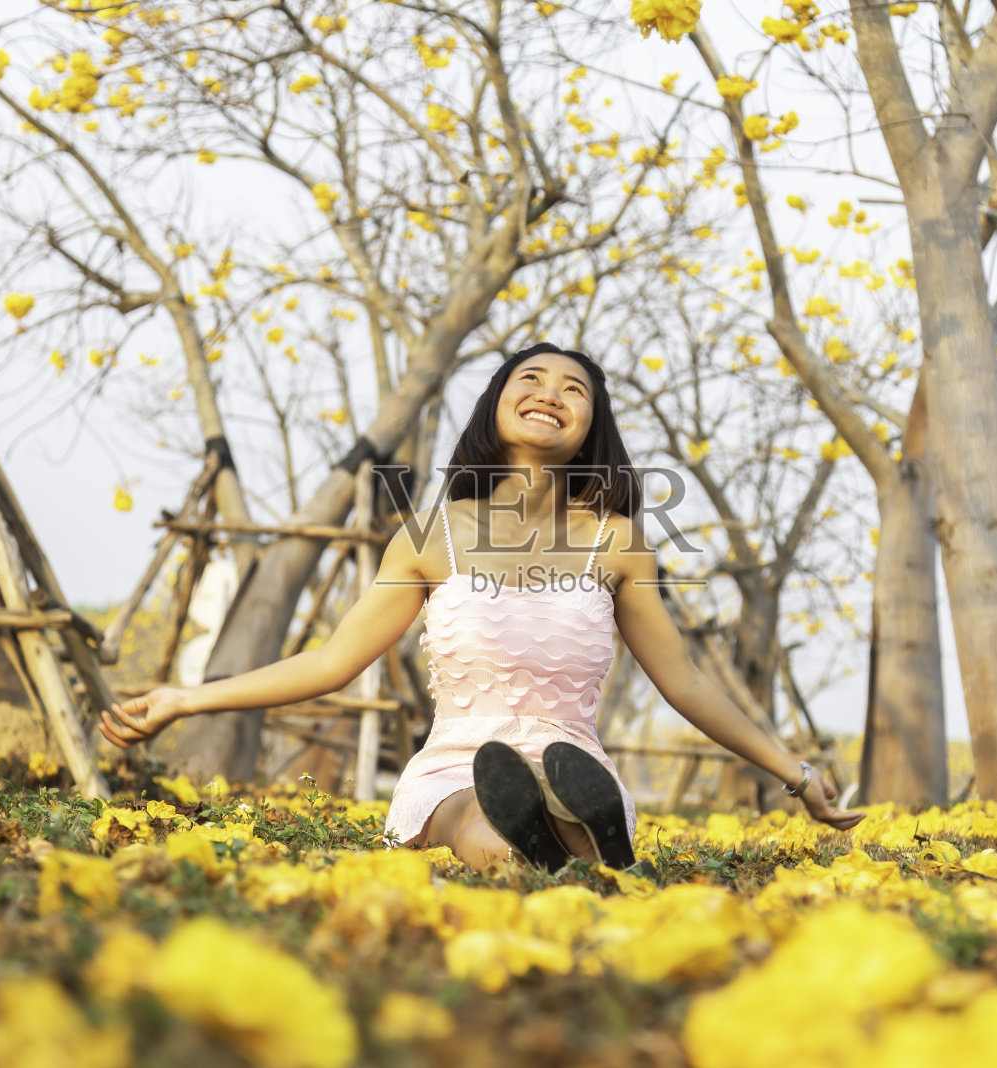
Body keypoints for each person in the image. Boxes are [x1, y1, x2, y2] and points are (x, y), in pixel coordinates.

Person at [99, 342, 866, 869]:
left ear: (591, 426)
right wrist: (185, 699)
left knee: (556, 809)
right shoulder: (429, 537)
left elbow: (686, 683)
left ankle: (579, 827)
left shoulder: (620, 542)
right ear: (496, 404)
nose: (551, 395)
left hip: (573, 757)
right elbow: (333, 661)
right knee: (480, 818)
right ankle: (571, 849)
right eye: (530, 380)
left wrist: (795, 775)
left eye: (575, 391)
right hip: (458, 762)